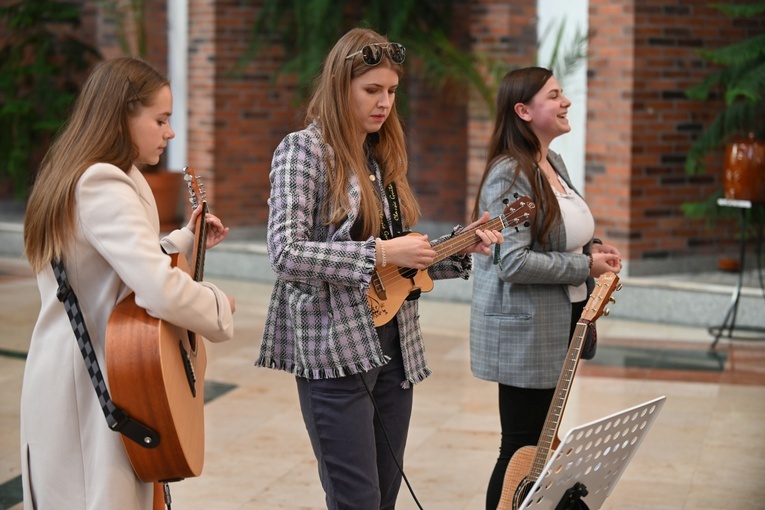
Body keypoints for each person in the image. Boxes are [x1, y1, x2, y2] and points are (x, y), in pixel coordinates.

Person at [255, 28, 503, 509]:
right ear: (339, 86)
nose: (384, 102)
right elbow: (284, 252)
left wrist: (460, 247)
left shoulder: (379, 155)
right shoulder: (303, 151)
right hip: (333, 348)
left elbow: (396, 266)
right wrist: (384, 253)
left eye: (391, 91)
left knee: (384, 497)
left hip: (394, 348)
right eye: (372, 90)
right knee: (357, 500)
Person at [20, 56, 236, 509]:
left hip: (88, 369)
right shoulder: (103, 182)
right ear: (122, 115)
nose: (169, 132)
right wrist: (216, 305)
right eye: (160, 119)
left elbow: (111, 267)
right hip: (96, 378)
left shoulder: (80, 173)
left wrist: (184, 240)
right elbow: (154, 289)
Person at [468, 67, 622, 509]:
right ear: (523, 111)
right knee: (519, 445)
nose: (566, 101)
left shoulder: (552, 162)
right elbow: (511, 260)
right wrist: (582, 265)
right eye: (554, 95)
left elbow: (554, 234)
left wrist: (592, 249)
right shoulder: (508, 173)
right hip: (525, 331)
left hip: (561, 321)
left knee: (540, 441)